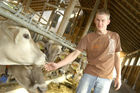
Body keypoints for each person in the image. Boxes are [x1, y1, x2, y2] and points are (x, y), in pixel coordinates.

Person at [45, 8, 122, 93]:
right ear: (94, 20)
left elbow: (117, 58)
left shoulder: (114, 36)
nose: (100, 23)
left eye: (103, 20)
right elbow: (74, 54)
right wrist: (57, 65)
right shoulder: (88, 38)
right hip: (89, 74)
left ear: (108, 22)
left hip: (106, 77)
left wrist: (119, 76)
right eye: (98, 20)